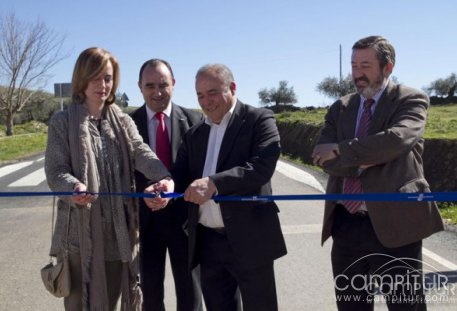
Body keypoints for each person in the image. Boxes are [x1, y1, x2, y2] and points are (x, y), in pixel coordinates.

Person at [312, 36, 444, 310]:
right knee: (351, 305)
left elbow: (396, 141)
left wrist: (343, 152)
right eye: (354, 65)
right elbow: (321, 156)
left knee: (405, 305)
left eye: (366, 65)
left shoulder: (410, 99)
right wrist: (370, 158)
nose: (358, 73)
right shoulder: (341, 107)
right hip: (346, 223)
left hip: (397, 223)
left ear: (388, 67)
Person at [45, 47, 174, 311]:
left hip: (119, 235)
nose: (102, 85)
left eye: (107, 77)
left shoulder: (123, 121)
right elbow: (55, 171)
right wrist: (74, 187)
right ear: (81, 78)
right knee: (81, 304)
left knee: (116, 300)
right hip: (79, 237)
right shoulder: (61, 122)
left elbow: (141, 153)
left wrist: (165, 178)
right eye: (94, 77)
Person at [172, 63, 287, 311]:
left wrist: (215, 183)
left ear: (232, 87)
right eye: (200, 95)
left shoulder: (259, 119)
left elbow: (262, 167)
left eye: (212, 92)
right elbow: (179, 177)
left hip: (251, 239)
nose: (206, 101)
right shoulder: (194, 134)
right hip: (208, 243)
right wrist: (161, 186)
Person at [131, 59, 203, 311]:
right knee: (150, 295)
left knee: (190, 295)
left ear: (173, 84)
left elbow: (202, 169)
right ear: (139, 87)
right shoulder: (127, 125)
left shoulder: (195, 120)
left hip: (185, 220)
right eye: (149, 85)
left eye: (163, 84)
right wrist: (142, 195)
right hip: (145, 222)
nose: (157, 92)